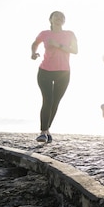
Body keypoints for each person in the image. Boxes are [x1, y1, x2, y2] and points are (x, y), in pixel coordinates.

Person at [30, 11, 78, 143]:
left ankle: (47, 129)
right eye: (56, 16)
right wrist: (33, 53)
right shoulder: (44, 33)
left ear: (64, 21)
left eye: (61, 17)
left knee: (55, 102)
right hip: (45, 70)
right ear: (50, 19)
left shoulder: (69, 34)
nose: (59, 19)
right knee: (48, 100)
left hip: (63, 73)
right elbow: (35, 43)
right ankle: (43, 132)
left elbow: (75, 50)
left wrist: (58, 45)